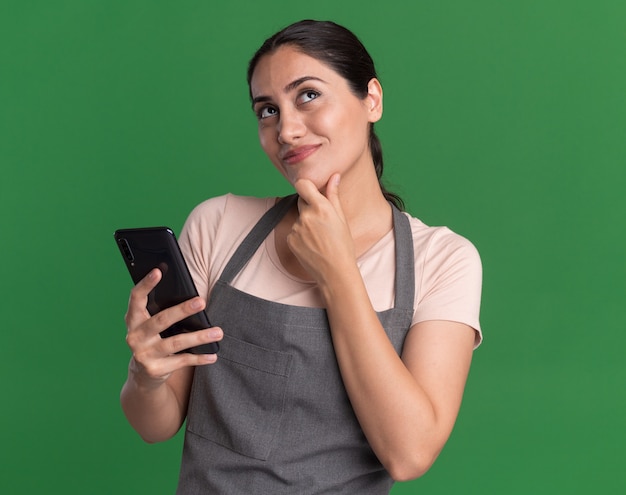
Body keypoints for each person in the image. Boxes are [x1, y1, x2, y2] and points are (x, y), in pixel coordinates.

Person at [120, 19, 482, 494]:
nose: (286, 129)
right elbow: (157, 426)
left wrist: (337, 272)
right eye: (267, 110)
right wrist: (145, 376)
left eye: (308, 95)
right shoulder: (218, 225)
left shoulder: (443, 260)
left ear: (371, 99)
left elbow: (409, 453)